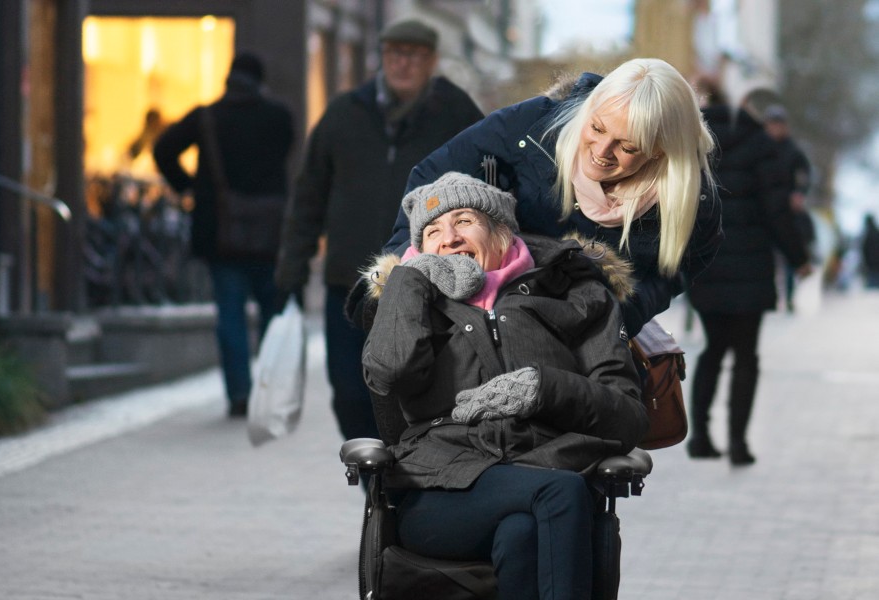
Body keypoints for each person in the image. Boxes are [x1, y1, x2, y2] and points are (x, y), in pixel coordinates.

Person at [361, 172, 648, 600]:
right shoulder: (414, 297)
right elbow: (388, 373)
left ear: (501, 232)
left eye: (463, 221)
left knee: (523, 535)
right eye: (433, 232)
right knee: (561, 492)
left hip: (548, 469)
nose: (449, 239)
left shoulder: (577, 295)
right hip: (442, 490)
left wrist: (545, 389)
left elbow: (627, 416)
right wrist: (408, 280)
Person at [380, 57, 722, 340]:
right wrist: (400, 279)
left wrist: (616, 320)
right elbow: (429, 180)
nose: (602, 152)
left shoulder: (695, 199)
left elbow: (674, 270)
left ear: (661, 153)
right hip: (471, 320)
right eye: (597, 128)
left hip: (582, 345)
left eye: (628, 146)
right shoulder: (531, 126)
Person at [275, 19, 483, 442]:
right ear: (382, 57)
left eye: (415, 55)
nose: (403, 64)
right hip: (349, 285)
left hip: (425, 285)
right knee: (349, 394)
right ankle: (375, 482)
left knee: (415, 392)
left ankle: (406, 485)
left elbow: (487, 187)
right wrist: (291, 267)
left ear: (432, 61)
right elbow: (310, 194)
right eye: (395, 54)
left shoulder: (456, 112)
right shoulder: (344, 112)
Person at [153, 52, 295, 417]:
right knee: (272, 314)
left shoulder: (207, 117)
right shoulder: (279, 118)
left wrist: (188, 186)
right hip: (269, 235)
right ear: (259, 81)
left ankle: (238, 394)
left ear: (228, 78)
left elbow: (163, 148)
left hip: (222, 234)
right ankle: (268, 392)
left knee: (230, 314)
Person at [686, 87, 811, 465]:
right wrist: (798, 258)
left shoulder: (698, 142)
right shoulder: (760, 145)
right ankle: (738, 444)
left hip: (706, 265)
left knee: (712, 349)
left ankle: (700, 436)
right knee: (745, 355)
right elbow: (777, 211)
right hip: (751, 268)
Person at [762, 104, 816, 311]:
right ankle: (771, 295)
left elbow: (805, 174)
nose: (775, 129)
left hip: (785, 206)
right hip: (764, 206)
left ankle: (790, 296)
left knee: (789, 249)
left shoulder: (792, 150)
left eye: (778, 125)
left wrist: (800, 193)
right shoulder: (760, 147)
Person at [862, 214, 879, 288]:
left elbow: (864, 250)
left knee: (872, 290)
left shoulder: (867, 234)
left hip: (871, 266)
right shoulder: (877, 232)